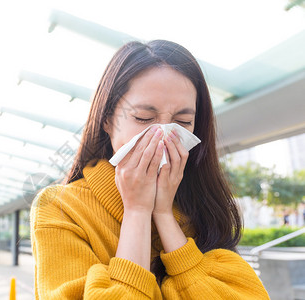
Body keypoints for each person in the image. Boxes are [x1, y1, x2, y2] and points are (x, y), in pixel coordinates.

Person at [30, 39, 270, 299]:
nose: (162, 136)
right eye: (143, 118)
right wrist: (137, 212)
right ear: (107, 120)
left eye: (182, 121)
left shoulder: (203, 205)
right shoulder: (60, 208)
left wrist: (164, 214)